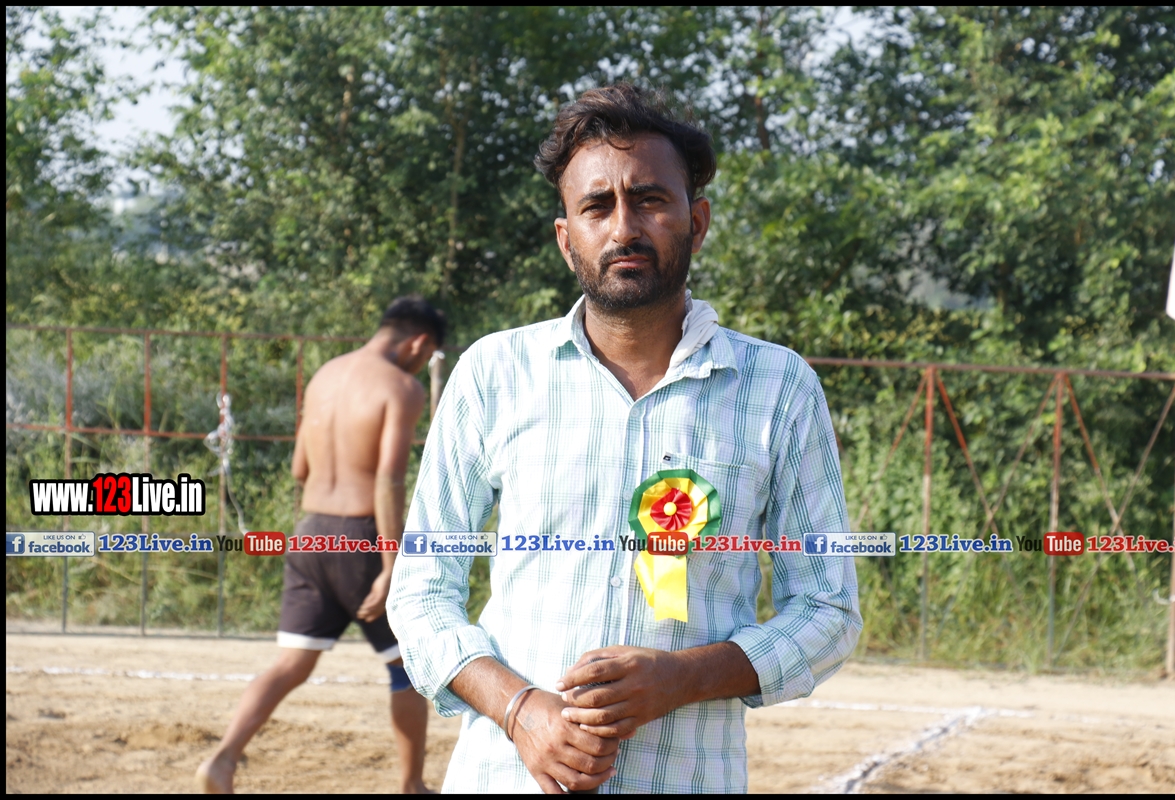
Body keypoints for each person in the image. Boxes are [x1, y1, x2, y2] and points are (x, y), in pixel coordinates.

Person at [388, 85, 861, 794]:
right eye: (597, 206)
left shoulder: (777, 386)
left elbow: (827, 609)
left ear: (697, 222)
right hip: (504, 777)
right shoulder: (495, 373)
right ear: (565, 237)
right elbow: (421, 590)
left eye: (649, 200)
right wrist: (520, 711)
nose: (623, 228)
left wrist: (682, 677)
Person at [196, 295, 444, 794]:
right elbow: (388, 481)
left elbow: (299, 468)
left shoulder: (324, 376)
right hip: (361, 539)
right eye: (426, 356)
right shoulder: (401, 388)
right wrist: (391, 564)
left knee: (291, 663)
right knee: (406, 667)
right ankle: (412, 785)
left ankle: (222, 759)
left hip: (310, 534)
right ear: (419, 344)